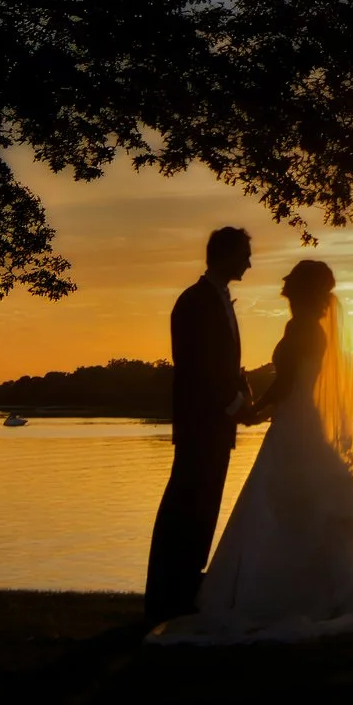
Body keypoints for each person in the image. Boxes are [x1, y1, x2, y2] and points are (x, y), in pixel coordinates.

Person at [148, 257, 353, 645]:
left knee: (282, 503)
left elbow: (287, 383)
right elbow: (289, 381)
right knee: (294, 506)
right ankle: (311, 592)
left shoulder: (302, 329)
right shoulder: (308, 329)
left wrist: (254, 411)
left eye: (292, 285)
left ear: (302, 291)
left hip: (295, 423)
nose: (285, 289)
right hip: (300, 421)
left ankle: (281, 594)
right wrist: (254, 407)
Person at [142, 225, 253, 623]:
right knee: (185, 506)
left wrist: (244, 393)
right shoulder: (194, 302)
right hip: (200, 425)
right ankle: (166, 592)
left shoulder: (218, 300)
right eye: (244, 254)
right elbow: (198, 368)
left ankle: (185, 587)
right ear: (223, 255)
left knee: (204, 507)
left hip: (215, 426)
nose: (249, 263)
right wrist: (236, 404)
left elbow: (225, 364)